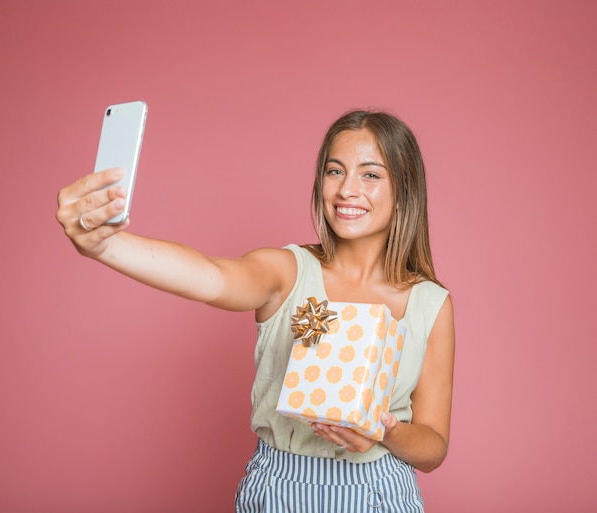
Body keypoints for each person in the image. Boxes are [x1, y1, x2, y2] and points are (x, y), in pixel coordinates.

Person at [56, 110, 455, 512]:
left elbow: (433, 445)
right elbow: (211, 277)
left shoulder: (429, 303)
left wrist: (383, 432)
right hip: (280, 490)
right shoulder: (287, 271)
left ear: (404, 188)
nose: (347, 189)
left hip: (380, 492)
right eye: (335, 171)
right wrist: (106, 247)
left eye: (370, 174)